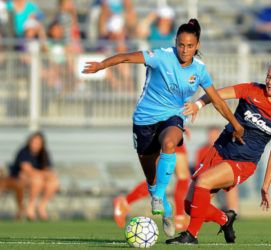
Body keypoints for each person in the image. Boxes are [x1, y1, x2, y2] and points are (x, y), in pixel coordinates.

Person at [82, 18, 244, 237]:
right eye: (181, 44)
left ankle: (161, 198)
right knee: (151, 178)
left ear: (197, 46)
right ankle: (165, 208)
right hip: (144, 121)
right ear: (176, 42)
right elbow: (127, 56)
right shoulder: (161, 56)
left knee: (170, 143)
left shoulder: (200, 70)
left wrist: (235, 125)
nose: (184, 50)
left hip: (173, 119)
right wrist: (102, 65)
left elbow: (217, 101)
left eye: (189, 46)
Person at [166, 58, 271, 244]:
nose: (270, 82)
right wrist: (198, 105)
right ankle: (224, 219)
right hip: (219, 150)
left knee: (203, 181)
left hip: (243, 162)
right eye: (268, 76)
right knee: (190, 206)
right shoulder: (252, 90)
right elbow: (216, 94)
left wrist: (266, 185)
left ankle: (191, 236)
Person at [113, 128, 192, 231]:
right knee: (179, 176)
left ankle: (125, 201)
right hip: (168, 128)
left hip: (162, 128)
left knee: (170, 176)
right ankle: (180, 218)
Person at [9, 132, 59, 221]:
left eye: (37, 142)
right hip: (20, 179)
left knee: (54, 182)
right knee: (37, 180)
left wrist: (49, 175)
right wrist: (44, 174)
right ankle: (30, 205)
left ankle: (42, 206)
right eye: (32, 141)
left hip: (39, 178)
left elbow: (48, 169)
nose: (34, 144)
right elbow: (26, 169)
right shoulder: (24, 152)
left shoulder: (44, 154)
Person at [194, 126, 239, 213]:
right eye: (210, 136)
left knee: (232, 187)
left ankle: (232, 212)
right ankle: (200, 212)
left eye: (215, 135)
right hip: (208, 179)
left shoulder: (226, 149)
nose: (212, 138)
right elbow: (198, 169)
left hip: (222, 178)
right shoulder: (202, 151)